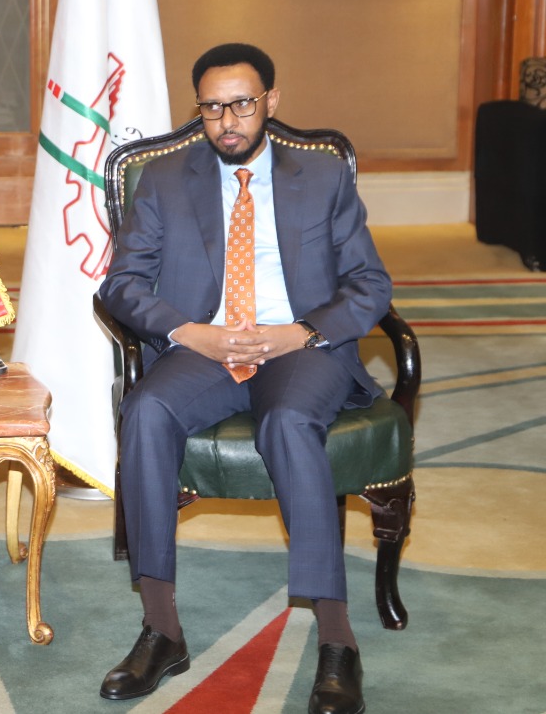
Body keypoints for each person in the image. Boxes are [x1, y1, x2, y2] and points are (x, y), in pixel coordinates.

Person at [96, 43, 390, 714]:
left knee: (288, 421)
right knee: (145, 410)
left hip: (298, 346)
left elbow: (370, 283)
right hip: (207, 346)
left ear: (271, 102)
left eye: (241, 104)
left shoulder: (322, 176)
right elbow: (123, 283)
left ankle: (337, 640)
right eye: (212, 108)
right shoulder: (167, 179)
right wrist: (187, 331)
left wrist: (303, 332)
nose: (227, 121)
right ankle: (161, 630)